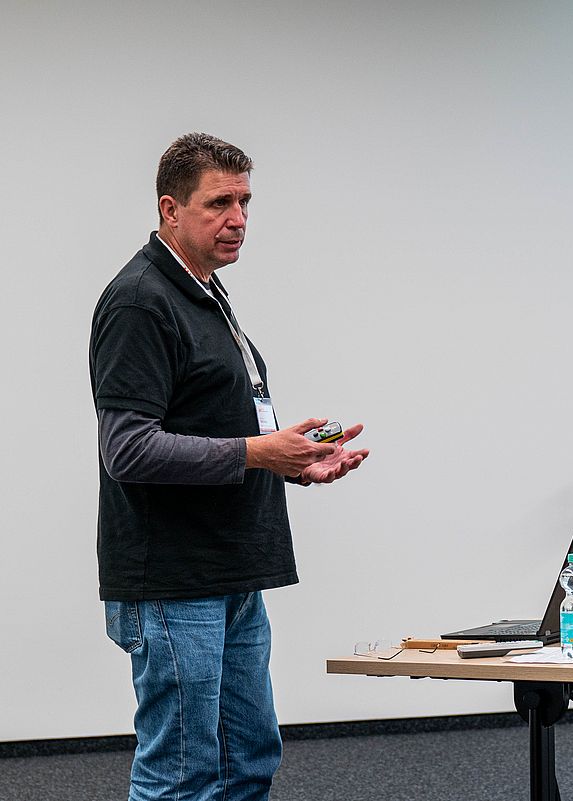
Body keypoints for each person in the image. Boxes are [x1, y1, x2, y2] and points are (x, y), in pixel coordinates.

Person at [89, 132, 369, 801]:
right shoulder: (140, 301)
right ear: (170, 209)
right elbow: (127, 448)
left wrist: (293, 462)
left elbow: (216, 424)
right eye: (219, 203)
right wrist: (257, 452)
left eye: (245, 201)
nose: (238, 218)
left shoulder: (204, 292)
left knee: (248, 762)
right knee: (183, 774)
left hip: (233, 569)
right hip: (175, 579)